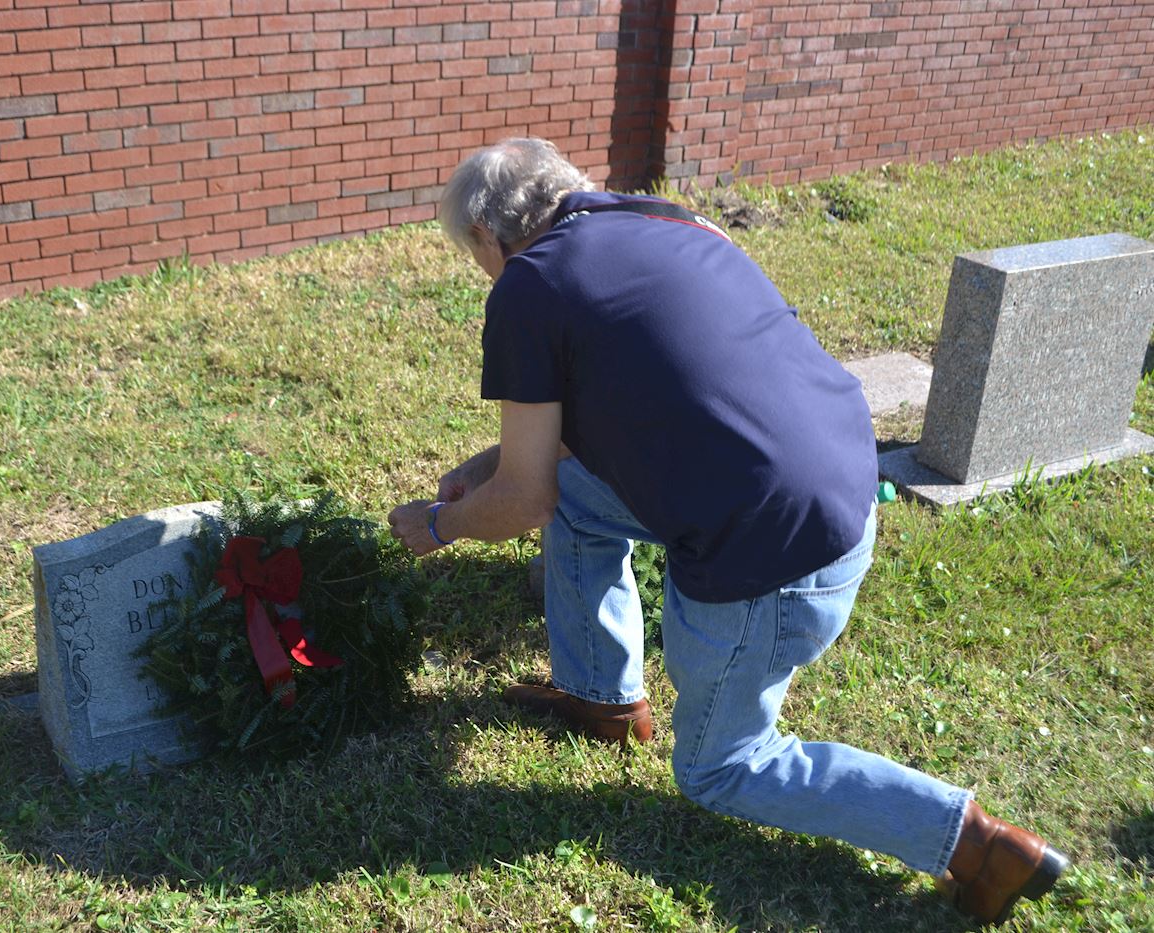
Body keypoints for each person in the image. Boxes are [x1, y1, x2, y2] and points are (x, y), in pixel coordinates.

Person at [386, 137, 1070, 925]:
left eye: (470, 254)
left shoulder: (526, 285)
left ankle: (976, 843)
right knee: (579, 497)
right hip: (837, 484)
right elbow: (593, 429)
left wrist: (438, 524)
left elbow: (523, 501)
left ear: (485, 237)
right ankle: (601, 698)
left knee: (722, 765)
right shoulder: (666, 219)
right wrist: (494, 461)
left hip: (771, 553)